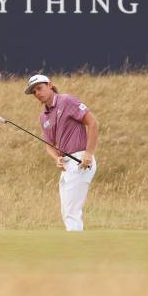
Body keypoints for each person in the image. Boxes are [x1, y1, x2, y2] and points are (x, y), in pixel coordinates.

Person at [25, 74, 99, 231]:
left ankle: (76, 247)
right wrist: (56, 158)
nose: (37, 93)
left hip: (80, 159)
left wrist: (89, 153)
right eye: (34, 92)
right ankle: (76, 245)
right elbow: (49, 145)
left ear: (50, 85)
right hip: (66, 163)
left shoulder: (67, 101)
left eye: (39, 88)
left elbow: (93, 123)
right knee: (67, 210)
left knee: (71, 211)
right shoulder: (43, 116)